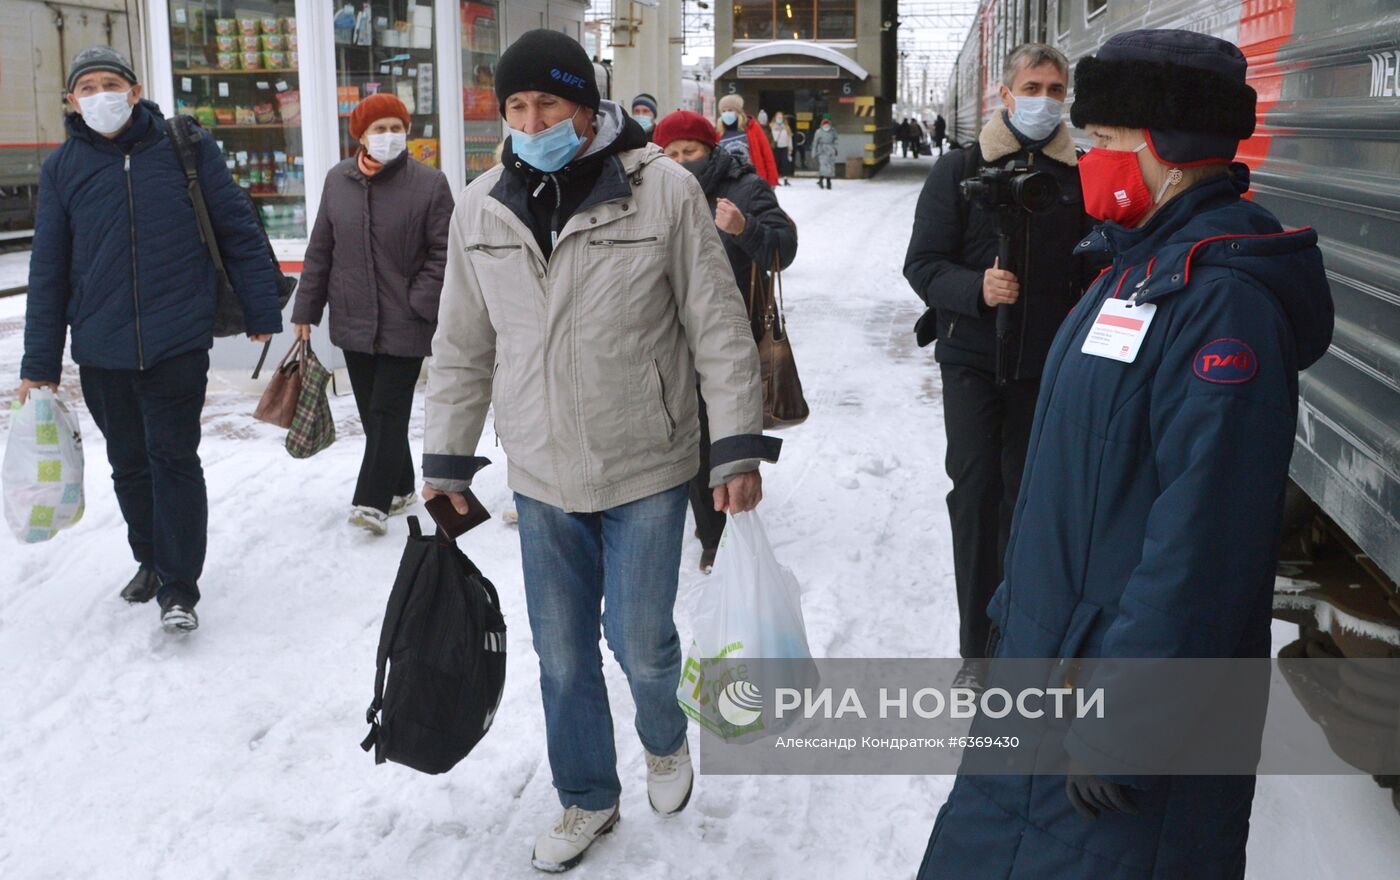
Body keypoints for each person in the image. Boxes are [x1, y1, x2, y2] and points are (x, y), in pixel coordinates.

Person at [916, 29, 1333, 880]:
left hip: (1105, 718)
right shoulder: (1135, 266)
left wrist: (1127, 727)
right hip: (1048, 675)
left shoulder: (1222, 308)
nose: (1090, 159)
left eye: (1104, 142)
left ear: (1163, 151)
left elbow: (1203, 548)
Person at [420, 30, 779, 873]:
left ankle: (664, 738)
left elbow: (717, 325)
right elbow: (462, 345)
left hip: (647, 460)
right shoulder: (481, 207)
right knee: (564, 652)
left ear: (587, 107)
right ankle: (587, 797)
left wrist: (735, 448)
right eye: (516, 106)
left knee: (642, 640)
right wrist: (445, 459)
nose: (532, 119)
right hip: (542, 469)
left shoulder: (663, 193)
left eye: (548, 102)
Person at [19, 47, 284, 633]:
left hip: (177, 337)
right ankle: (150, 558)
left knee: (173, 458)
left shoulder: (185, 148)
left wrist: (262, 304)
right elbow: (48, 269)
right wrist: (38, 363)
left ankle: (180, 585)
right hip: (101, 346)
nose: (100, 96)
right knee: (129, 463)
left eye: (111, 84)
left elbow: (236, 224)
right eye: (87, 88)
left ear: (135, 92)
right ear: (71, 102)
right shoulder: (63, 168)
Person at [903, 43, 1092, 687]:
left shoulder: (1081, 176)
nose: (1044, 98)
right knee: (979, 495)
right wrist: (974, 291)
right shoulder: (959, 169)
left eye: (1055, 87)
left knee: (1034, 499)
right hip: (974, 361)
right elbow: (922, 264)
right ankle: (979, 652)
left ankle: (1030, 637)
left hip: (1049, 365)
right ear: (1005, 94)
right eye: (1031, 86)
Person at [291, 93, 453, 536]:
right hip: (353, 319)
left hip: (408, 319)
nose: (389, 137)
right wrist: (305, 310)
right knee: (373, 414)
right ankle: (400, 486)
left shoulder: (429, 183)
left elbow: (445, 253)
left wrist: (420, 301)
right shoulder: (337, 181)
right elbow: (321, 249)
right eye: (379, 129)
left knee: (386, 411)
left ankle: (371, 501)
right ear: (360, 135)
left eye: (396, 127)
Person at [654, 110, 798, 572]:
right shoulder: (652, 190)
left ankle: (719, 529)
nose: (681, 161)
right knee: (693, 431)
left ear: (711, 149)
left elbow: (784, 247)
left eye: (690, 152)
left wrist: (745, 229)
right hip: (671, 331)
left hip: (728, 332)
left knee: (720, 428)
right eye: (671, 154)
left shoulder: (744, 187)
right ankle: (711, 528)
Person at [715, 94, 779, 186]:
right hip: (728, 184)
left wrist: (772, 180)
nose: (726, 114)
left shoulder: (752, 127)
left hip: (753, 181)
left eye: (730, 110)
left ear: (738, 112)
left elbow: (766, 153)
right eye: (723, 111)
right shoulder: (718, 133)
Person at [811, 114, 840, 189]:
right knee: (823, 166)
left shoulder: (833, 131)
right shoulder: (818, 132)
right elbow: (815, 142)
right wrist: (814, 152)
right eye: (825, 125)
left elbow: (836, 140)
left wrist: (835, 149)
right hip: (822, 150)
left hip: (830, 150)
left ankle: (828, 181)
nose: (826, 126)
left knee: (830, 166)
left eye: (827, 125)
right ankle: (821, 180)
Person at [769, 111, 794, 186]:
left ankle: (785, 179)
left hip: (784, 147)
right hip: (775, 147)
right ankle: (775, 179)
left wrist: (790, 149)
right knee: (775, 163)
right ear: (775, 118)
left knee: (784, 163)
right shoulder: (771, 126)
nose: (779, 118)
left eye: (781, 117)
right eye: (778, 117)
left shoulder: (786, 127)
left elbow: (789, 138)